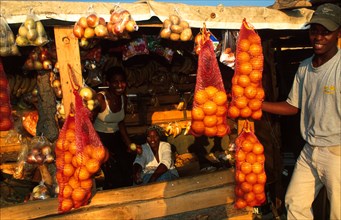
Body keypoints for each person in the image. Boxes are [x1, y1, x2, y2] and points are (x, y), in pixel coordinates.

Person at [262, 3, 340, 219]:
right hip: (310, 150)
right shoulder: (305, 67)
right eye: (315, 31)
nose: (319, 37)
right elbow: (292, 106)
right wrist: (257, 105)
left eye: (326, 32)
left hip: (336, 151)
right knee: (294, 203)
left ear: (338, 34)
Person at [92, 66, 141, 189]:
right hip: (100, 138)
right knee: (113, 175)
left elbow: (120, 123)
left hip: (116, 138)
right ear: (108, 83)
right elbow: (88, 125)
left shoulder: (123, 98)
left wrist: (129, 144)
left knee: (127, 170)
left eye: (123, 81)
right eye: (115, 82)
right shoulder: (100, 99)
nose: (120, 85)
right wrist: (101, 148)